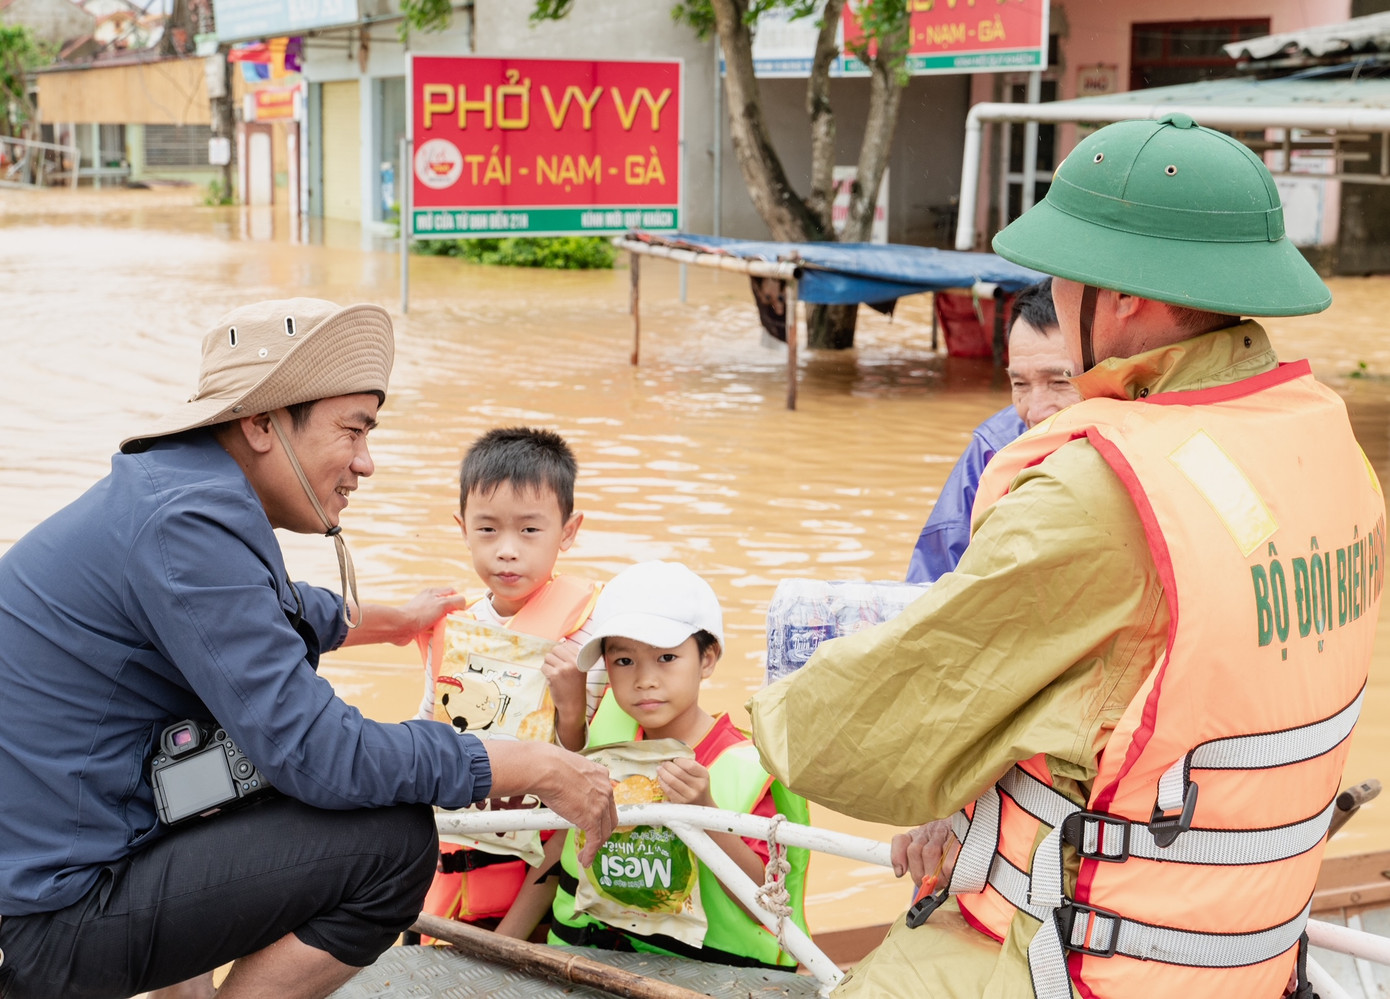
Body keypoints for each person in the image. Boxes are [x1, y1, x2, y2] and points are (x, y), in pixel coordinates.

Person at [749, 113, 1384, 999]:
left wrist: (758, 714)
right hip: (1245, 950)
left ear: (1118, 297)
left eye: (1063, 271)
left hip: (1081, 961)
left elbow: (867, 727)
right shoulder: (1326, 448)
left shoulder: (1104, 486)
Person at [0, 298, 617, 999]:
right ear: (262, 423)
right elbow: (319, 754)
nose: (366, 463)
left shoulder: (179, 489)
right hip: (54, 919)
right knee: (391, 839)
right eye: (352, 432)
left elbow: (277, 610)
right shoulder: (187, 524)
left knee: (233, 764)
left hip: (51, 871)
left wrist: (398, 619)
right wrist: (534, 762)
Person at [546, 560, 811, 969]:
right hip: (590, 955)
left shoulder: (749, 766)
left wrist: (705, 811)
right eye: (624, 661)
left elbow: (767, 897)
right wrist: (569, 710)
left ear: (707, 659)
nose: (644, 680)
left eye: (666, 657)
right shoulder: (604, 728)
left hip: (707, 973)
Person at [415, 425, 604, 937]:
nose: (506, 551)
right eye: (487, 530)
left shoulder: (591, 634)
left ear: (568, 530)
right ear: (462, 528)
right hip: (454, 841)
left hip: (538, 858)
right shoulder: (452, 626)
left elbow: (592, 764)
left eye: (529, 530)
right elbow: (427, 723)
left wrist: (568, 704)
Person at [906, 278, 1081, 583]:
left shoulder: (1148, 441)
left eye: (1060, 382)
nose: (1036, 411)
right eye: (1020, 385)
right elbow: (931, 582)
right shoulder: (993, 448)